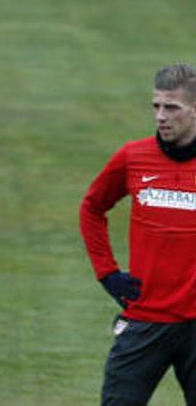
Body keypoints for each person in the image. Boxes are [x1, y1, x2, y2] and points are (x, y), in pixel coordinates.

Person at [80, 63, 196, 405]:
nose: (161, 116)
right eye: (156, 106)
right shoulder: (133, 157)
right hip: (145, 319)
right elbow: (92, 208)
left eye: (172, 108)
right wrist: (108, 273)